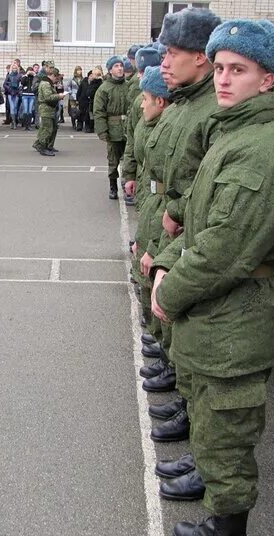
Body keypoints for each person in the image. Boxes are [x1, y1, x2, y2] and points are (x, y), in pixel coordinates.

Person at [151, 19, 274, 536]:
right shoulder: (238, 132)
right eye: (218, 68)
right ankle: (221, 525)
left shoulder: (261, 149)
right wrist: (169, 258)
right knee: (214, 434)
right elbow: (202, 218)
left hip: (235, 313)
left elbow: (224, 250)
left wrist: (170, 288)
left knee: (228, 440)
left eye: (237, 70)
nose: (222, 79)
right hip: (221, 313)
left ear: (268, 78)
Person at [141, 9, 224, 461]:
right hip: (173, 223)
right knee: (186, 340)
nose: (164, 62)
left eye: (173, 53)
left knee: (197, 338)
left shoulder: (211, 108)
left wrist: (173, 212)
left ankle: (198, 427)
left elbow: (200, 180)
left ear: (200, 58)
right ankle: (189, 409)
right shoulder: (188, 103)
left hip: (194, 231)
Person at [126, 64, 171, 339]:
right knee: (143, 252)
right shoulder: (150, 123)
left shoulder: (168, 128)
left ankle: (160, 337)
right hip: (150, 194)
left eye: (145, 99)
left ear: (160, 101)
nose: (141, 105)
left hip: (162, 201)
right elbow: (135, 148)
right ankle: (156, 332)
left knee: (153, 262)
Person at [121, 47, 162, 207]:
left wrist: (130, 174)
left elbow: (133, 139)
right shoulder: (142, 99)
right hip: (144, 175)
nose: (139, 75)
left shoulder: (153, 97)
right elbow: (134, 139)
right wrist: (130, 174)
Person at [93, 55, 130, 199]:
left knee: (129, 159)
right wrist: (102, 131)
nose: (120, 68)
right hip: (113, 129)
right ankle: (113, 186)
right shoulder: (104, 89)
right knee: (113, 160)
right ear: (110, 70)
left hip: (128, 128)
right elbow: (99, 112)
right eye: (116, 66)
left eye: (121, 65)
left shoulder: (129, 86)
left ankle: (128, 185)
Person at [34, 67, 65, 156]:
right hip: (46, 108)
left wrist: (59, 92)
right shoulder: (45, 84)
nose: (56, 78)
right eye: (55, 76)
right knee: (47, 129)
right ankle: (42, 147)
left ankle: (45, 145)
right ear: (51, 75)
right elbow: (48, 97)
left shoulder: (49, 83)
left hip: (50, 109)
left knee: (53, 127)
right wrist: (59, 96)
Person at [4, 63, 22, 130]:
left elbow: (21, 84)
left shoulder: (19, 76)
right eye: (13, 68)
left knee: (15, 107)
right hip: (10, 93)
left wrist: (19, 90)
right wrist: (9, 89)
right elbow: (5, 84)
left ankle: (14, 121)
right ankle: (13, 122)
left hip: (16, 93)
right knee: (12, 107)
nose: (14, 69)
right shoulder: (9, 76)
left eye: (15, 68)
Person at [66, 66, 84, 131]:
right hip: (73, 97)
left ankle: (79, 123)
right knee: (73, 110)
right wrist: (70, 92)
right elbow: (68, 86)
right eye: (78, 70)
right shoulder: (72, 79)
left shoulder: (83, 79)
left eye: (80, 70)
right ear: (75, 71)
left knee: (79, 110)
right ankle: (73, 124)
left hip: (80, 97)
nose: (79, 71)